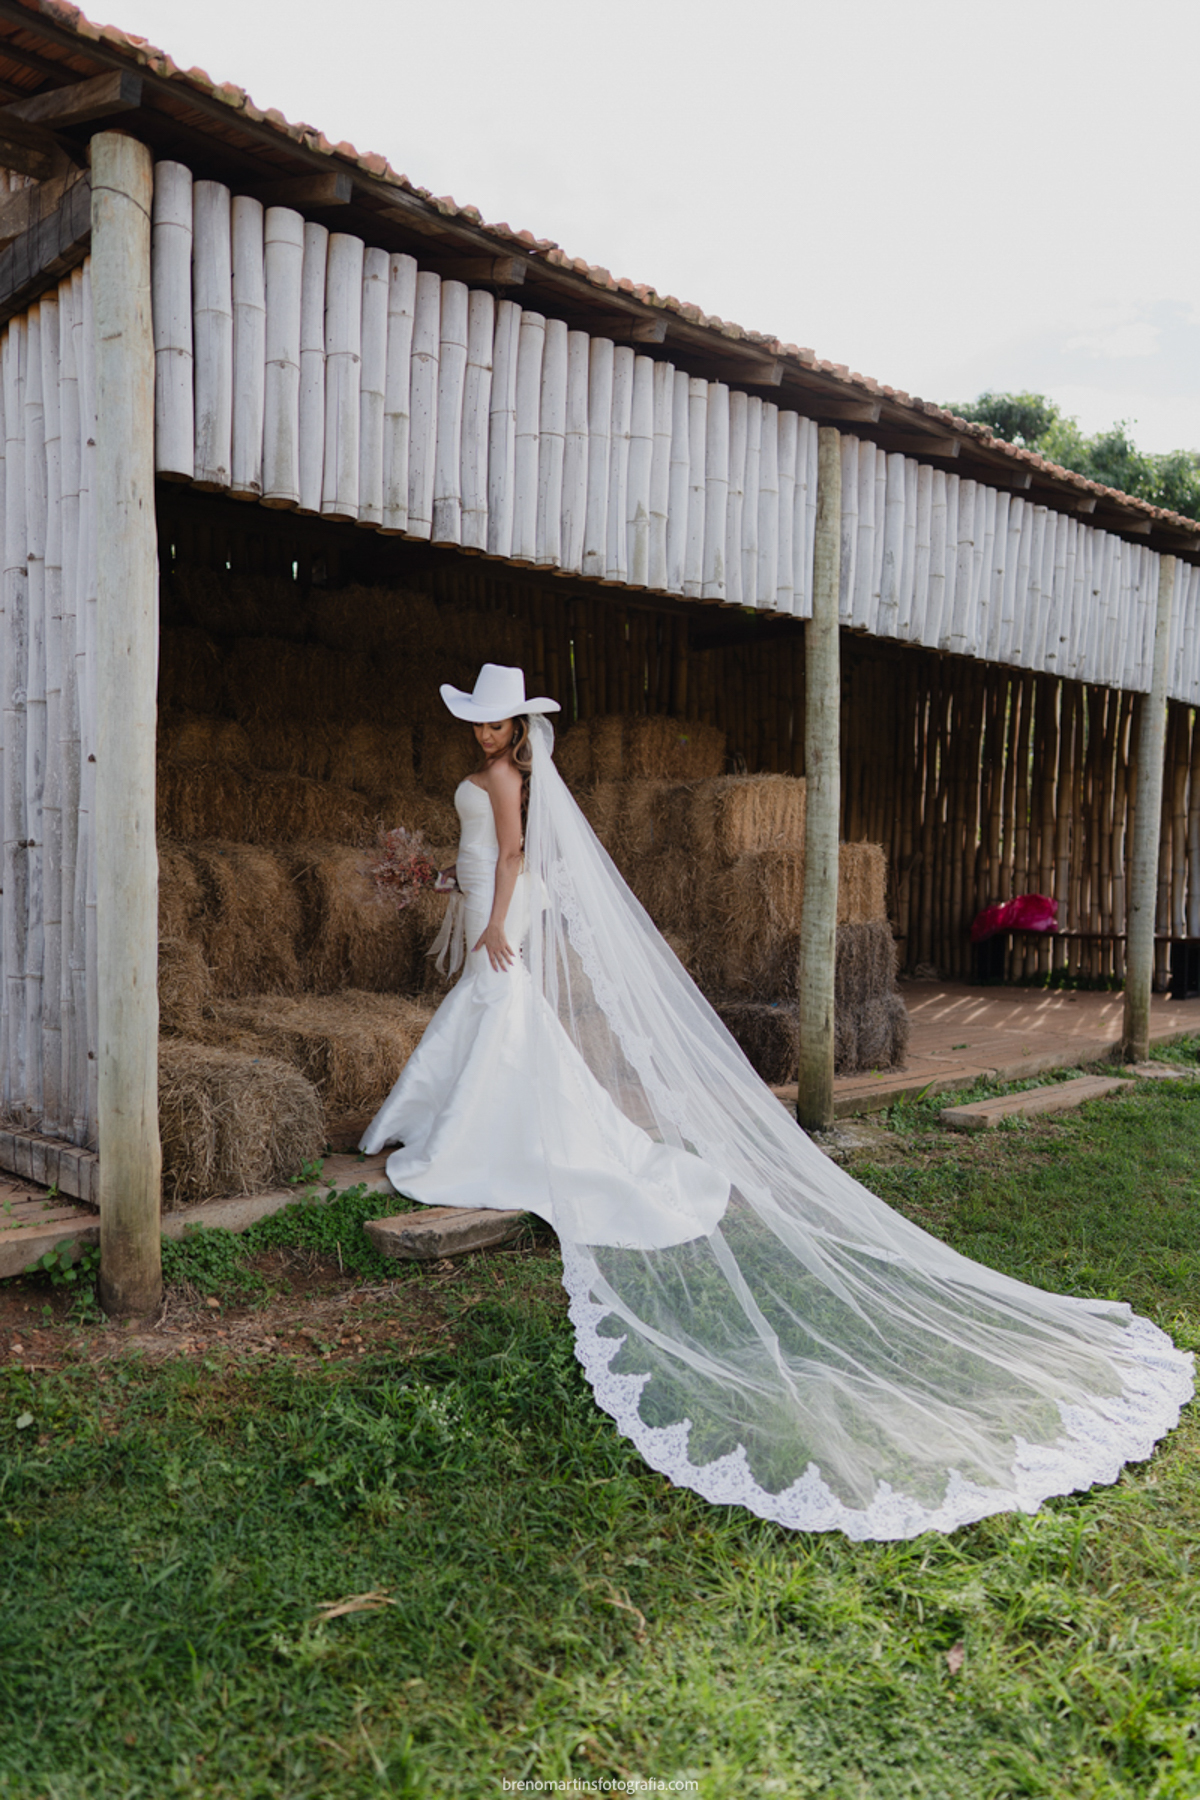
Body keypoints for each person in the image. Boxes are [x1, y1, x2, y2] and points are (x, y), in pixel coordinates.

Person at [362, 664, 1193, 1541]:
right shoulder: (496, 773)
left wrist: (496, 921)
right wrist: (438, 879)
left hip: (504, 907)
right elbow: (487, 854)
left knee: (498, 1006)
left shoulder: (505, 778)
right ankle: (474, 1121)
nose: (485, 734)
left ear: (515, 728)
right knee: (495, 1011)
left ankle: (483, 1136)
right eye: (479, 723)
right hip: (487, 898)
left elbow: (516, 855)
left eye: (496, 724)